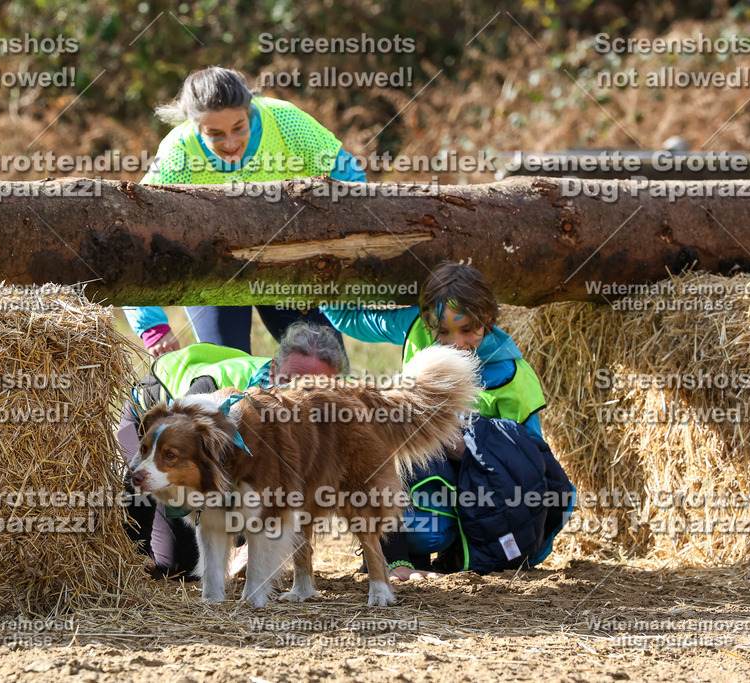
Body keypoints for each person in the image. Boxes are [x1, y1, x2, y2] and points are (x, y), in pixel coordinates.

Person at [320, 262, 575, 579]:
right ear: (428, 322)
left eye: (467, 329)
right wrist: (321, 270)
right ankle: (397, 560)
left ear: (489, 320)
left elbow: (528, 463)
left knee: (433, 527)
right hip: (416, 470)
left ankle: (457, 552)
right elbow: (350, 318)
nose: (455, 343)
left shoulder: (512, 379)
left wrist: (473, 445)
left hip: (477, 489)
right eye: (442, 331)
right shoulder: (416, 327)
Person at [127, 65, 366, 356]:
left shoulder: (286, 121)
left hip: (286, 263)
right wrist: (152, 326)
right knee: (229, 372)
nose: (230, 143)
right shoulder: (177, 152)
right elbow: (137, 235)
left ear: (250, 109)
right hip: (214, 273)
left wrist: (346, 258)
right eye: (214, 133)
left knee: (324, 367)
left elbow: (351, 183)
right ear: (193, 125)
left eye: (239, 127)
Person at [118, 321, 349, 579]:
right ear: (273, 370)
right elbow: (144, 466)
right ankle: (127, 559)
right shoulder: (213, 393)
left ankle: (241, 545)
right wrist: (132, 554)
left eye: (314, 388)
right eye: (290, 381)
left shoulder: (329, 408)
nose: (300, 394)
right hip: (151, 425)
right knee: (179, 565)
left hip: (203, 461)